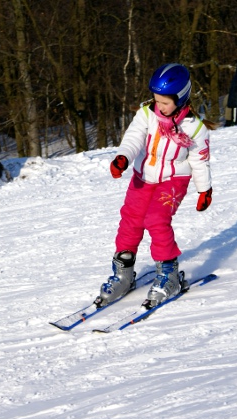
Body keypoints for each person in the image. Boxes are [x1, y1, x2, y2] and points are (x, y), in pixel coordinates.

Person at [95, 63, 214, 310]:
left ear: (180, 99)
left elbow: (200, 161)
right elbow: (133, 138)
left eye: (165, 103)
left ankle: (169, 275)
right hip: (142, 176)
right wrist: (123, 158)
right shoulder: (147, 114)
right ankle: (123, 274)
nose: (159, 106)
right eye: (156, 100)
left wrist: (204, 190)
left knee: (156, 219)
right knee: (131, 219)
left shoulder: (194, 128)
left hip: (174, 180)